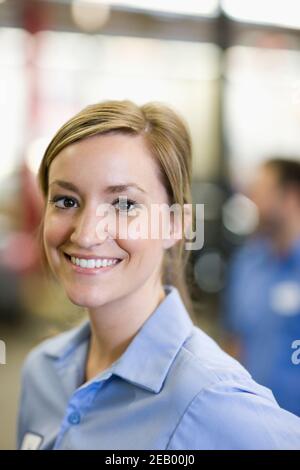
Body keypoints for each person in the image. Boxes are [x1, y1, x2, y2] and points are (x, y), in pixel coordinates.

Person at [17, 102, 300, 450]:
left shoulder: (212, 399)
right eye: (66, 201)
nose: (86, 234)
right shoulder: (42, 372)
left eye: (123, 205)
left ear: (175, 225)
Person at [223, 158, 300, 417]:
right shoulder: (247, 263)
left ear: (290, 196)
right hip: (256, 421)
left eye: (261, 191)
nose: (251, 199)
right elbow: (235, 342)